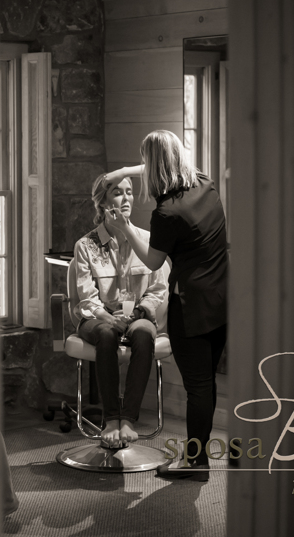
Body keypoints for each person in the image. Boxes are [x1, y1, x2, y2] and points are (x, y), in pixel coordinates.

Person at [104, 130, 228, 481]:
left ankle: (195, 463)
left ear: (154, 166)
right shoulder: (205, 184)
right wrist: (125, 171)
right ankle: (198, 458)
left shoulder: (166, 213)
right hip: (222, 302)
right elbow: (163, 161)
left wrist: (126, 227)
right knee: (207, 384)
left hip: (191, 309)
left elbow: (154, 261)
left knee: (197, 387)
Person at [73, 175, 169, 449]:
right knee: (105, 332)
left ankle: (127, 419)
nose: (126, 198)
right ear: (103, 202)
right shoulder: (86, 246)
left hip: (137, 317)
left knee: (143, 334)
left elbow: (158, 288)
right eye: (117, 193)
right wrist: (107, 316)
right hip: (98, 319)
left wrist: (141, 311)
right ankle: (110, 418)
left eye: (129, 192)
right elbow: (87, 298)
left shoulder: (148, 240)